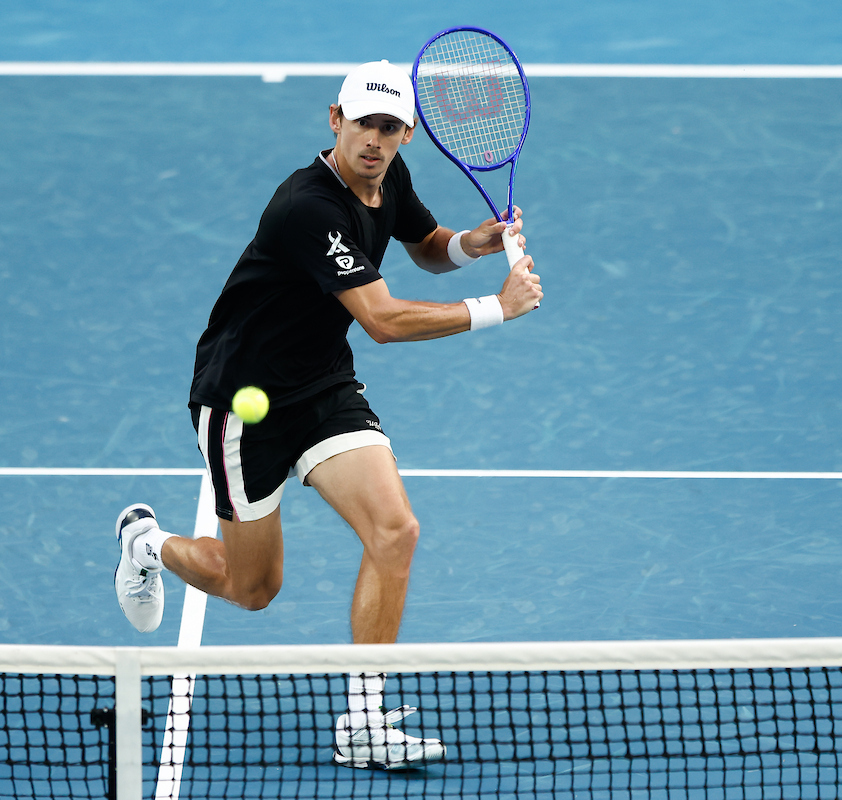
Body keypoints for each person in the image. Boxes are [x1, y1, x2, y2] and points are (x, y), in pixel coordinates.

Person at [114, 59, 543, 770]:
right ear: (335, 119)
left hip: (321, 386)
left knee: (395, 530)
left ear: (405, 133)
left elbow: (427, 248)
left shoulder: (388, 178)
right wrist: (498, 307)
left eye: (388, 127)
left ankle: (364, 719)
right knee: (251, 589)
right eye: (362, 123)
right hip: (242, 402)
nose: (373, 140)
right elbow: (380, 319)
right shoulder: (307, 206)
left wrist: (475, 243)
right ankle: (147, 545)